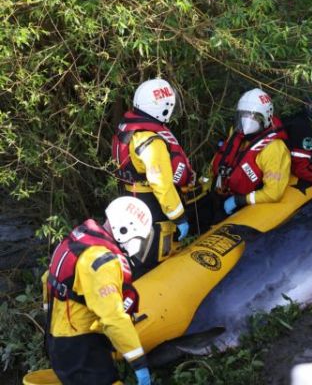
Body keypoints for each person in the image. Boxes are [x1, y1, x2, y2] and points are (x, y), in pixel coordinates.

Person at [45, 196, 153, 385]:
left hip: (58, 340)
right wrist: (139, 362)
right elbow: (113, 317)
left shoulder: (78, 242)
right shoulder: (102, 262)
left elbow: (46, 281)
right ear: (125, 229)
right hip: (80, 348)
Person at [112, 78, 196, 274]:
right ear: (161, 109)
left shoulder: (128, 130)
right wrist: (179, 217)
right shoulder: (152, 142)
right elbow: (162, 185)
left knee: (134, 250)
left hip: (129, 198)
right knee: (154, 253)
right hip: (150, 204)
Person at [195, 88, 291, 228]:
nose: (246, 122)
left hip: (243, 204)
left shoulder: (274, 149)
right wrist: (203, 184)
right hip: (219, 193)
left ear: (266, 117)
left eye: (253, 117)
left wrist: (240, 200)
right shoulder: (236, 133)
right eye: (243, 116)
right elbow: (222, 157)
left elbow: (273, 193)